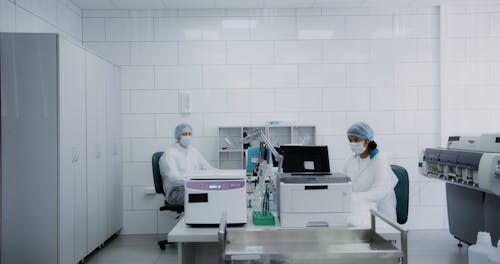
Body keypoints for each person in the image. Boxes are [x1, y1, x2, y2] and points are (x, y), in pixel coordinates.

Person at [343, 122, 398, 227]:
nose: (352, 143)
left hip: (380, 213)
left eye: (356, 140)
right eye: (350, 140)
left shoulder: (380, 159)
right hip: (359, 210)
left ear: (367, 141)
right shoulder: (351, 160)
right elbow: (344, 183)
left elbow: (380, 191)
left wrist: (354, 197)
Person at [159, 123, 214, 205]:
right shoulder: (169, 153)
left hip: (195, 188)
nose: (187, 136)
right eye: (184, 134)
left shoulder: (194, 151)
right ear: (178, 136)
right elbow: (173, 178)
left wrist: (223, 175)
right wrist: (194, 183)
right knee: (206, 197)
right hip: (176, 192)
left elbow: (208, 168)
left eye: (189, 134)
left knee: (214, 194)